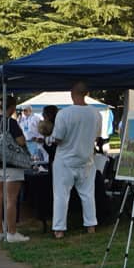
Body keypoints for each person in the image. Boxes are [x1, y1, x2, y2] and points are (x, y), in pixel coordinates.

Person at [50, 80, 104, 238]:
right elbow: (97, 136)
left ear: (72, 94)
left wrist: (49, 137)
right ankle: (91, 226)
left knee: (61, 195)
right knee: (88, 194)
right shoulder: (96, 114)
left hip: (65, 160)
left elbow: (58, 138)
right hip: (86, 159)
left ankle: (59, 229)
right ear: (86, 94)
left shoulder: (64, 114)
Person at [0, 116, 33, 242]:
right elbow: (21, 141)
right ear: (12, 107)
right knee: (11, 199)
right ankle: (12, 232)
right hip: (11, 163)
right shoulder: (10, 122)